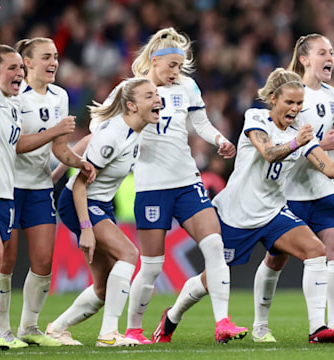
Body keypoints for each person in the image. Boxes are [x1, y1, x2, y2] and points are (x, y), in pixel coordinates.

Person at [154, 68, 334, 344]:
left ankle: (318, 329)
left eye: (299, 104)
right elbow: (269, 153)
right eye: (290, 102)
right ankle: (173, 315)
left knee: (316, 251)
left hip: (273, 212)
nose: (295, 109)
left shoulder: (299, 133)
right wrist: (298, 142)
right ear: (273, 98)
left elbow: (329, 168)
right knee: (209, 279)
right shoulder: (256, 118)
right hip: (237, 214)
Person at [82, 27, 244, 344]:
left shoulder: (186, 87)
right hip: (152, 187)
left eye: (179, 66)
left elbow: (201, 123)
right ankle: (134, 329)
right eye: (171, 65)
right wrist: (124, 137)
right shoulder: (131, 89)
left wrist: (220, 139)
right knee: (153, 266)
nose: (176, 72)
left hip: (187, 182)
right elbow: (98, 121)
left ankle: (222, 321)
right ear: (154, 61)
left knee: (215, 247)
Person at [0, 2, 75, 351]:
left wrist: (72, 160)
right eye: (12, 67)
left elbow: (18, 145)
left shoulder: (12, 106)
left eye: (21, 67)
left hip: (4, 193)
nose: (19, 73)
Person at [249, 34, 334, 343]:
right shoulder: (290, 94)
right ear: (304, 59)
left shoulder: (330, 94)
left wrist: (323, 146)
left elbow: (320, 146)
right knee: (276, 260)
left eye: (331, 52)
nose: (330, 57)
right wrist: (317, 145)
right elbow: (280, 141)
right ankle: (260, 326)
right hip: (289, 191)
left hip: (322, 186)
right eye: (322, 52)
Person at [0, 37, 96, 348]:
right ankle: (0, 329)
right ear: (28, 63)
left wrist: (79, 162)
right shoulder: (13, 96)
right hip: (7, 186)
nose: (54, 62)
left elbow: (60, 148)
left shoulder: (59, 96)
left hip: (39, 187)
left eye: (55, 57)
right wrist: (55, 131)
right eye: (46, 57)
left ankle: (29, 327)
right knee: (6, 260)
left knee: (42, 261)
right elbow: (15, 145)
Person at [45, 78, 161, 347]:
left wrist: (56, 172)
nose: (157, 100)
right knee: (129, 253)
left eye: (156, 95)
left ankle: (57, 329)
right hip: (81, 203)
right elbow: (79, 187)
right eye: (149, 96)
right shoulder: (115, 135)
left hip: (99, 203)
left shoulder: (134, 129)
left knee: (103, 287)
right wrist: (86, 228)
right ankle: (108, 334)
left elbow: (88, 140)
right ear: (131, 106)